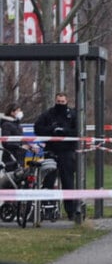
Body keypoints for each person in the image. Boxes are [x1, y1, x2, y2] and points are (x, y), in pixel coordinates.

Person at [34, 93, 80, 221]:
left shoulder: (72, 114)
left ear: (67, 101)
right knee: (48, 181)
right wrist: (51, 130)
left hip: (67, 152)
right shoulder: (48, 114)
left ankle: (71, 212)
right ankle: (46, 209)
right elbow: (37, 128)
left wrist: (65, 132)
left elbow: (78, 131)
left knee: (68, 182)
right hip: (51, 152)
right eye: (58, 101)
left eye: (62, 101)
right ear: (55, 100)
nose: (60, 103)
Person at [1, 103, 28, 172]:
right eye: (18, 111)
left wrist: (30, 146)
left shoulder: (17, 124)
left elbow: (21, 139)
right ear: (12, 112)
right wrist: (20, 146)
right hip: (11, 156)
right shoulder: (6, 124)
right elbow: (6, 142)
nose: (20, 112)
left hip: (19, 155)